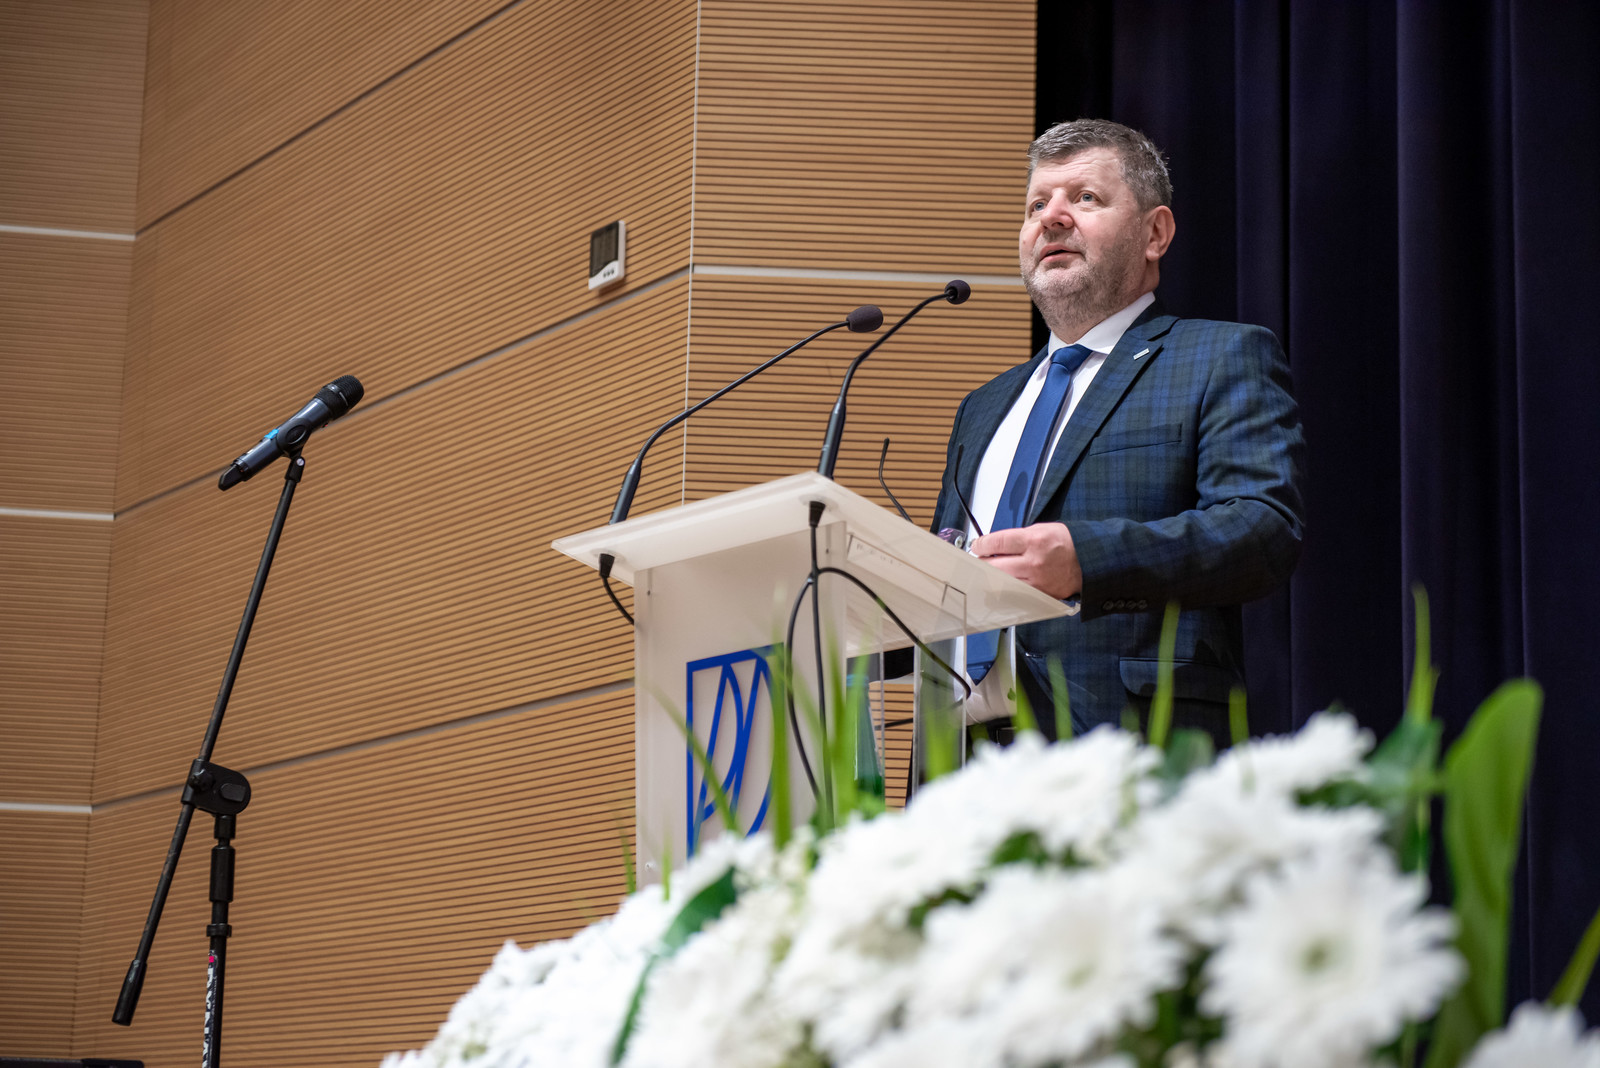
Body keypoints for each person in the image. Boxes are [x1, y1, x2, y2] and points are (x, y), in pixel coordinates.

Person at [930, 119, 1306, 745]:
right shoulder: (983, 406)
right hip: (964, 758)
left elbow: (1263, 529)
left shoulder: (1218, 357)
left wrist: (1088, 560)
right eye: (1036, 205)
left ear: (1155, 233)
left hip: (1130, 745)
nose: (1052, 218)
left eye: (1085, 198)